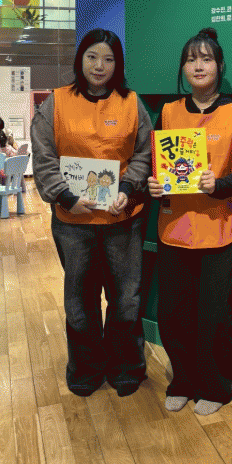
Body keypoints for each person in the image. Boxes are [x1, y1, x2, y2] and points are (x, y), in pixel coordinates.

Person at [31, 28, 152, 398]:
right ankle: (85, 368)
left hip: (122, 220)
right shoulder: (56, 102)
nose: (100, 66)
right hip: (74, 223)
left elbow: (144, 153)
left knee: (126, 298)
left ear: (118, 64)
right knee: (80, 300)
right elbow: (43, 155)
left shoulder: (132, 103)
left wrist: (127, 188)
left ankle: (125, 366)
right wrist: (66, 197)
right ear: (80, 59)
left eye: (109, 59)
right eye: (92, 57)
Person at [148, 28, 232, 416]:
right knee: (175, 313)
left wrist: (219, 185)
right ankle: (183, 380)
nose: (198, 65)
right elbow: (157, 166)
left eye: (206, 59)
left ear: (220, 66)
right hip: (175, 227)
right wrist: (154, 185)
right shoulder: (168, 112)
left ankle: (215, 386)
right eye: (191, 59)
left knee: (217, 315)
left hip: (220, 227)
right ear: (183, 68)